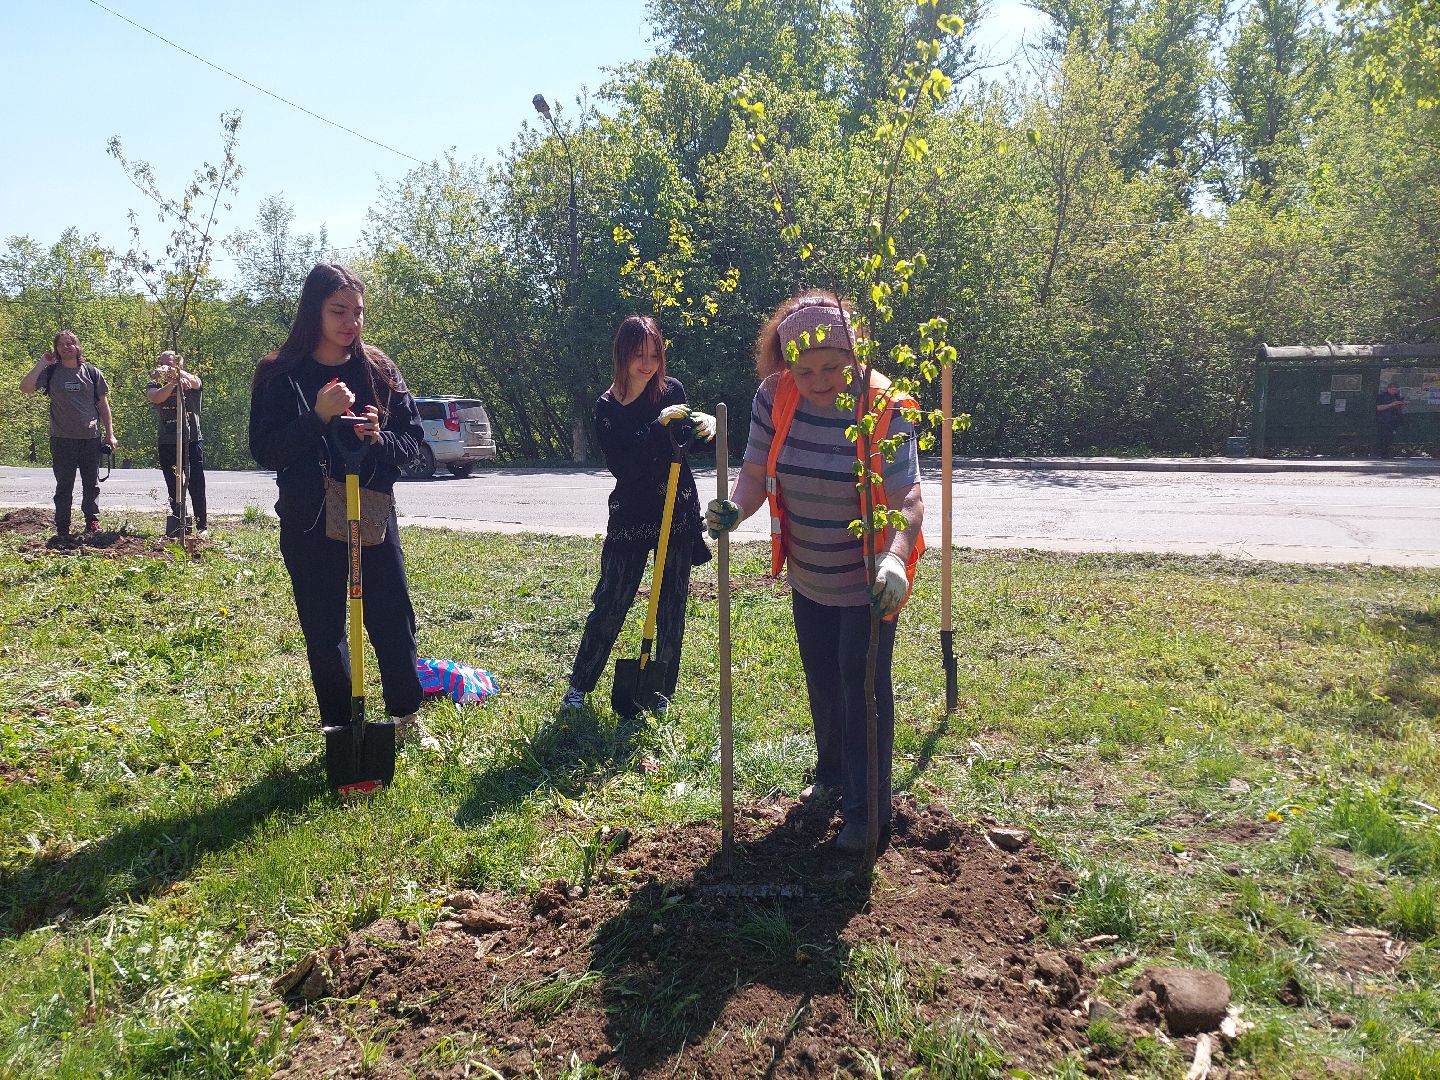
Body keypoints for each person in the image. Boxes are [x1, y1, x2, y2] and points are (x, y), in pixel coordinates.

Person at [706, 292, 924, 854]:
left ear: (856, 354)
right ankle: (832, 779)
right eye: (804, 370)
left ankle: (866, 814)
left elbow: (908, 498)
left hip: (870, 582)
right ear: (785, 365)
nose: (819, 379)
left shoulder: (885, 407)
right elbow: (754, 473)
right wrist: (734, 508)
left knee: (863, 687)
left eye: (832, 366)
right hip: (808, 572)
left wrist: (897, 557)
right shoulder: (775, 398)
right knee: (823, 679)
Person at [249, 263, 430, 745]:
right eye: (338, 311)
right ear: (314, 310)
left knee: (392, 615)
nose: (351, 322)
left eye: (358, 312)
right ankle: (341, 728)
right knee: (325, 625)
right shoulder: (280, 374)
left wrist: (379, 439)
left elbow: (412, 445)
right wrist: (316, 417)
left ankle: (406, 718)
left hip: (371, 513)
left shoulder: (378, 371)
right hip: (309, 519)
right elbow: (265, 449)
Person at [561, 315, 716, 713]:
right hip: (631, 514)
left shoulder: (673, 390)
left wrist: (703, 430)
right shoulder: (607, 408)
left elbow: (684, 449)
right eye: (638, 355)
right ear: (623, 356)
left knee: (672, 605)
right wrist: (656, 427)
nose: (647, 364)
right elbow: (625, 468)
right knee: (612, 599)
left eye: (653, 354)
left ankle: (660, 690)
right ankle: (579, 687)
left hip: (676, 510)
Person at [18, 330, 118, 538]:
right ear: (56, 349)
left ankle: (92, 521)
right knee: (64, 484)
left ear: (78, 347)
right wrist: (41, 363)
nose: (66, 347)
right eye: (62, 344)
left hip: (90, 438)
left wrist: (110, 434)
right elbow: (25, 388)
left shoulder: (92, 372)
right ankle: (63, 526)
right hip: (62, 439)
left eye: (71, 343)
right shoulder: (51, 372)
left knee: (91, 483)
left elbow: (103, 405)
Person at [145, 351, 208, 536]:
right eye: (161, 363)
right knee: (173, 484)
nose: (164, 367)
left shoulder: (190, 378)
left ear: (178, 364)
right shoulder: (156, 384)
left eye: (169, 363)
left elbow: (197, 382)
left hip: (192, 439)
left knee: (196, 483)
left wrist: (179, 375)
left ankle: (202, 526)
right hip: (167, 440)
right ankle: (180, 523)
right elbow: (155, 397)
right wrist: (172, 383)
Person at [1376, 381, 1405, 459]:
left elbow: (1399, 408)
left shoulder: (1397, 396)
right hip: (1384, 420)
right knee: (1384, 437)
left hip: (1395, 420)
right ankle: (1382, 454)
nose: (1394, 391)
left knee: (1391, 438)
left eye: (1396, 389)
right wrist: (1392, 404)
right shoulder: (1382, 396)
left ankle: (1387, 453)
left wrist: (1402, 404)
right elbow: (1378, 408)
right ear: (1388, 389)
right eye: (1393, 389)